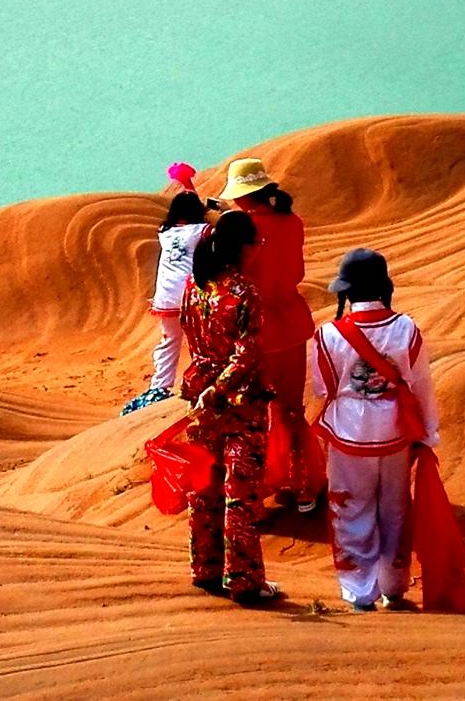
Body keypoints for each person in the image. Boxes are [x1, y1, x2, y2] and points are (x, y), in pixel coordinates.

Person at [306, 248, 441, 611]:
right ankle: (393, 585)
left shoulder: (328, 334)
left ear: (346, 292)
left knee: (351, 509)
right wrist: (428, 434)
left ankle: (358, 590)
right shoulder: (407, 329)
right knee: (395, 508)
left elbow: (322, 388)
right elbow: (421, 385)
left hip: (349, 433)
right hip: (396, 431)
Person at [181, 209, 280, 606]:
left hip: (200, 397)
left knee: (204, 486)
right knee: (241, 492)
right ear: (243, 247)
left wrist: (206, 391)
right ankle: (244, 580)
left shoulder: (194, 285)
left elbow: (190, 334)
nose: (258, 249)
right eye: (256, 242)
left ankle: (204, 568)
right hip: (238, 403)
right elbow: (246, 355)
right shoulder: (243, 293)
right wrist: (219, 390)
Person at [213, 157, 320, 512]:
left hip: (256, 328)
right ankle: (304, 486)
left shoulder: (242, 228)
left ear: (243, 194)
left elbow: (231, 274)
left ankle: (257, 491)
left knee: (253, 414)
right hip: (292, 321)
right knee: (292, 410)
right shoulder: (292, 221)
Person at [128, 174, 209, 414]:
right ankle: (203, 381)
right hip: (189, 295)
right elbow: (215, 226)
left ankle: (159, 386)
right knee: (201, 341)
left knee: (169, 341)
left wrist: (189, 188)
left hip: (165, 296)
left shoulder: (165, 232)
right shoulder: (201, 231)